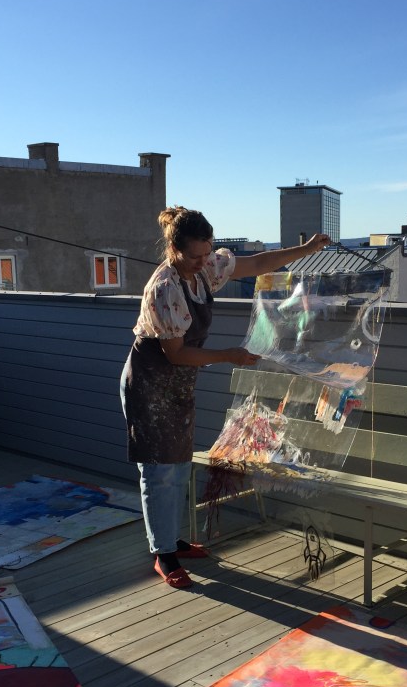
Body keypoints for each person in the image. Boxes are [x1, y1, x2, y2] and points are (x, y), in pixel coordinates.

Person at [120, 205, 331, 589]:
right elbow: (176, 354)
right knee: (158, 471)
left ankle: (171, 540)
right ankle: (163, 554)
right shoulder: (165, 288)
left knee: (178, 465)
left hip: (178, 382)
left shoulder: (205, 268)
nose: (204, 262)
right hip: (151, 381)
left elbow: (258, 263)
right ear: (174, 249)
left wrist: (306, 249)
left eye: (207, 253)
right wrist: (229, 355)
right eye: (195, 256)